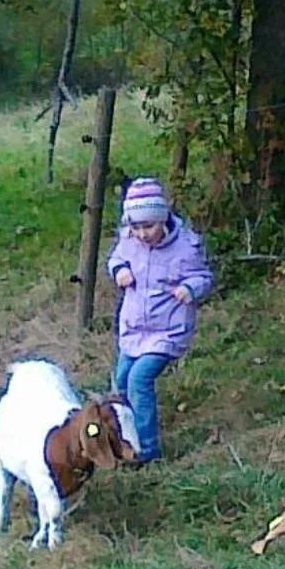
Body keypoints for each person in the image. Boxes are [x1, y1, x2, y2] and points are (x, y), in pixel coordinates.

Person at [107, 177, 214, 464]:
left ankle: (148, 450)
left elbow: (203, 277)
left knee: (139, 379)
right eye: (136, 227)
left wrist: (190, 288)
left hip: (167, 330)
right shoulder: (129, 241)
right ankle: (125, 436)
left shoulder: (185, 247)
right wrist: (119, 271)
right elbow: (116, 259)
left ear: (163, 218)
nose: (142, 233)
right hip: (133, 329)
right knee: (121, 380)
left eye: (148, 226)